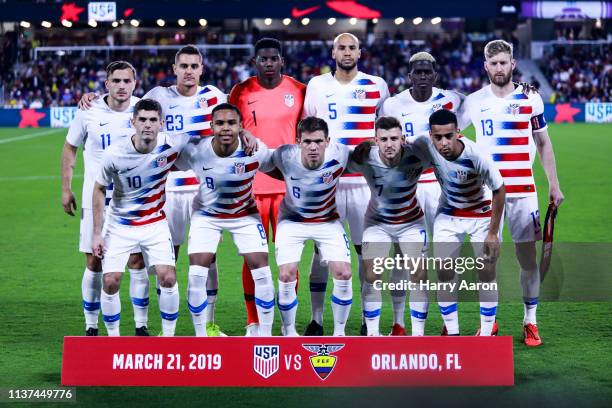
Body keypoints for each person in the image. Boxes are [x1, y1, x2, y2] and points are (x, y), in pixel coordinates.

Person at [79, 45, 228, 336]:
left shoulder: (216, 96)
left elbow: (232, 122)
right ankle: (161, 330)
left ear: (202, 69)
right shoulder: (158, 96)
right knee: (163, 262)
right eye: (183, 65)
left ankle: (208, 324)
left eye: (194, 66)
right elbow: (129, 109)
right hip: (166, 191)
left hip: (202, 190)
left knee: (208, 257)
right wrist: (96, 98)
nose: (188, 71)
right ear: (174, 69)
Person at [463, 39, 564, 346]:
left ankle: (530, 321)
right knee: (487, 259)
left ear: (512, 64)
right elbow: (449, 135)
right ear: (485, 66)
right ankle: (488, 324)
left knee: (527, 259)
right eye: (493, 64)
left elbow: (544, 143)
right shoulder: (473, 101)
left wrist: (554, 183)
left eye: (503, 62)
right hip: (487, 193)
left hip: (523, 190)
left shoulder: (530, 98)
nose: (498, 68)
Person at [302, 33, 389, 335]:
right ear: (333, 51)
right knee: (321, 253)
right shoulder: (317, 85)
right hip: (328, 184)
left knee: (367, 253)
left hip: (365, 185)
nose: (347, 52)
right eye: (342, 47)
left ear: (360, 52)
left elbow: (387, 133)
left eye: (352, 47)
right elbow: (305, 132)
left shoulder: (376, 85)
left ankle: (368, 321)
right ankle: (316, 319)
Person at [379, 51, 468, 335]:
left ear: (435, 75)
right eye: (417, 72)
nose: (422, 76)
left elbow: (479, 101)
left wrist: (522, 87)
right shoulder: (393, 103)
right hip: (406, 187)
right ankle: (399, 323)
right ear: (409, 76)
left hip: (441, 186)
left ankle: (447, 322)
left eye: (427, 72)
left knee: (445, 256)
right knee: (402, 256)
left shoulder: (451, 99)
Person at [61, 61, 149, 336]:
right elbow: (70, 148)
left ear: (134, 84)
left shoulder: (143, 110)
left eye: (127, 81)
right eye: (116, 81)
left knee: (137, 261)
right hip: (95, 198)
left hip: (132, 200)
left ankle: (141, 325)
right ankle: (91, 326)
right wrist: (66, 188)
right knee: (94, 261)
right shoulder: (89, 111)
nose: (122, 86)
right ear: (107, 83)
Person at [174, 103, 276, 336]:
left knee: (262, 272)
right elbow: (168, 163)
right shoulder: (196, 150)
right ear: (211, 126)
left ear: (241, 126)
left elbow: (277, 167)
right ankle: (201, 335)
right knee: (196, 274)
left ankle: (266, 335)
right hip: (207, 215)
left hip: (244, 214)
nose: (225, 128)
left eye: (231, 123)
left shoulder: (255, 149)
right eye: (220, 123)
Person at [229, 38, 306, 336]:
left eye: (274, 58)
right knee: (254, 259)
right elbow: (226, 126)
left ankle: (288, 326)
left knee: (289, 260)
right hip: (250, 189)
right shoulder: (241, 91)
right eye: (264, 59)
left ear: (282, 61)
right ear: (255, 62)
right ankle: (254, 322)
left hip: (288, 189)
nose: (269, 63)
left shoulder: (298, 90)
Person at [92, 99, 187, 336]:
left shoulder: (171, 145)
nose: (147, 125)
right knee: (111, 280)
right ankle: (114, 339)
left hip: (154, 223)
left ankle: (168, 337)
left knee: (167, 277)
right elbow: (99, 188)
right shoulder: (114, 153)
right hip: (119, 225)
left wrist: (244, 133)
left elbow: (210, 142)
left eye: (153, 120)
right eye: (142, 119)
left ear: (161, 123)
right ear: (133, 122)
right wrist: (96, 233)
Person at [412, 109, 505, 337]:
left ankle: (485, 333)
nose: (443, 142)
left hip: (481, 214)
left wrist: (492, 234)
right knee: (443, 270)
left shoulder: (476, 155)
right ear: (430, 136)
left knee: (485, 270)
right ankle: (452, 334)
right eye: (438, 137)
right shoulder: (424, 144)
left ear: (458, 133)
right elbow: (398, 149)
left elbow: (499, 190)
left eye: (449, 136)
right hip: (449, 213)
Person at [269, 117, 353, 336]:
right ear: (298, 142)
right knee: (286, 275)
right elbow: (258, 159)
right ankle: (289, 332)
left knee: (344, 273)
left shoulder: (341, 153)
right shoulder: (284, 155)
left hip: (327, 220)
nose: (313, 147)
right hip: (292, 221)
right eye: (307, 142)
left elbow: (370, 156)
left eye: (318, 141)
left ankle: (339, 333)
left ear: (328, 141)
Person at [349, 117, 428, 336]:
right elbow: (336, 161)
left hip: (411, 222)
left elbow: (445, 154)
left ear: (403, 139)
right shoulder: (366, 158)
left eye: (394, 138)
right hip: (378, 224)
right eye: (383, 139)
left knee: (418, 274)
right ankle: (373, 333)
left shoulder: (417, 155)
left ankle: (417, 334)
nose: (389, 144)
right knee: (372, 274)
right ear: (375, 140)